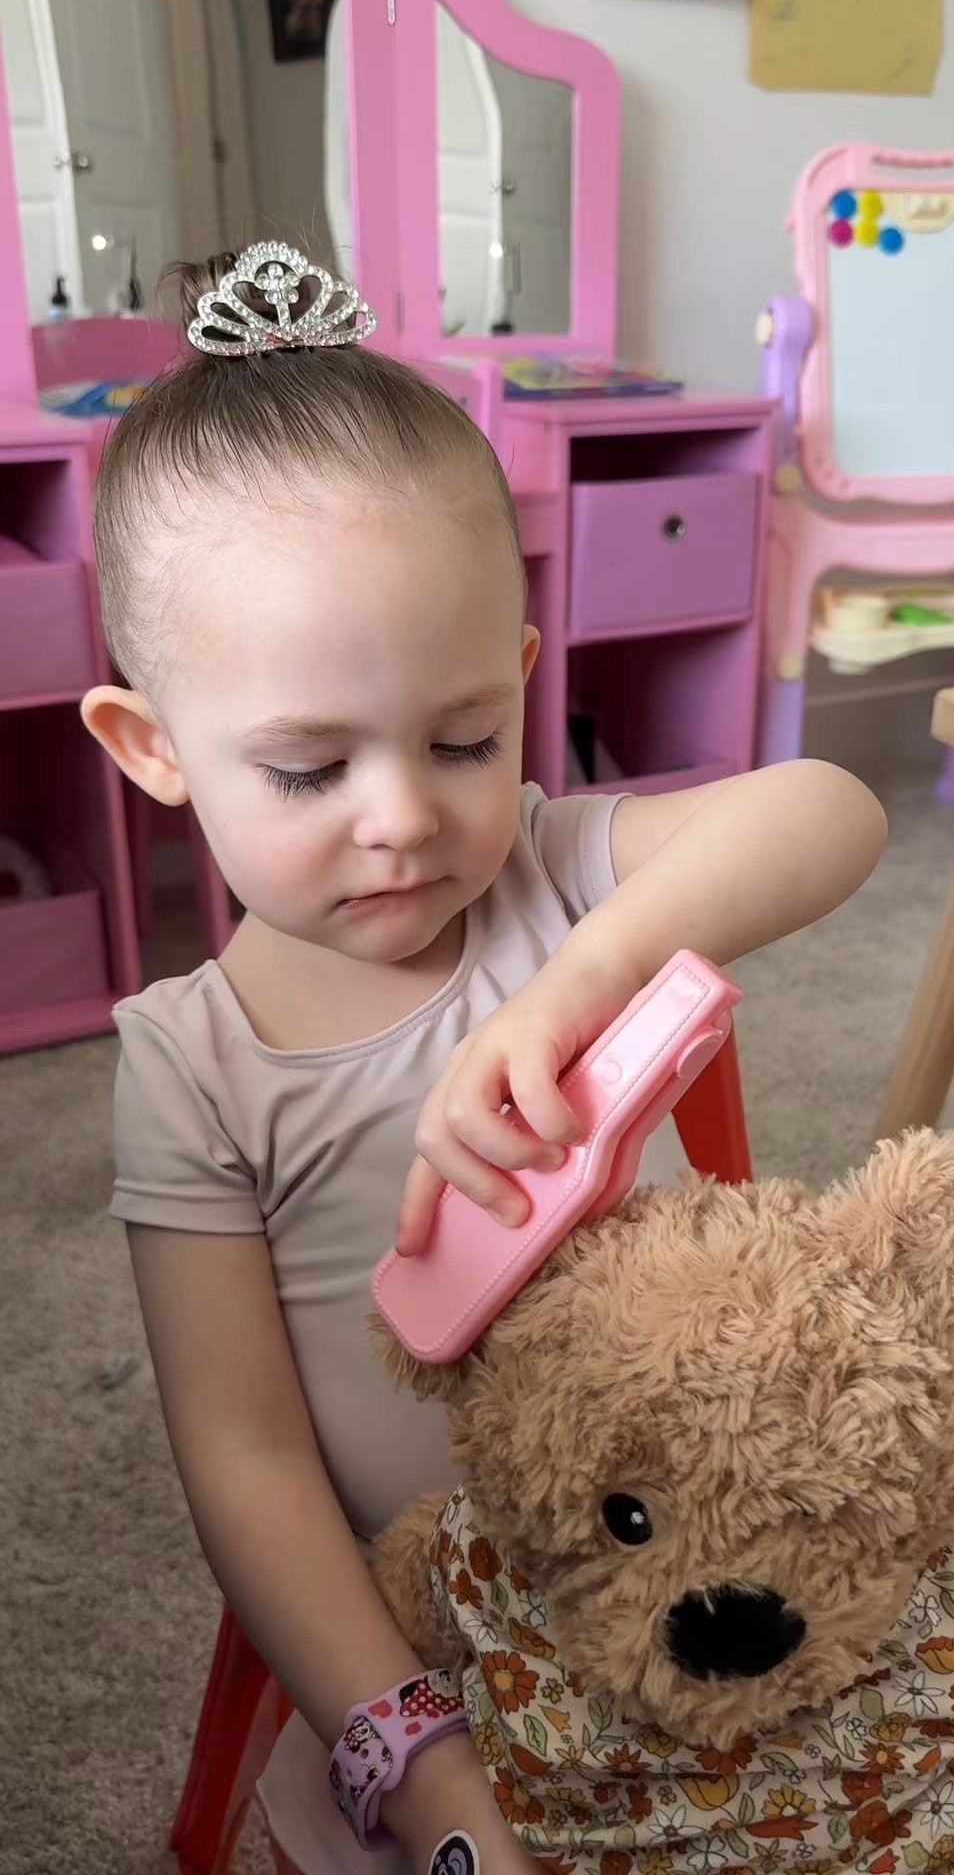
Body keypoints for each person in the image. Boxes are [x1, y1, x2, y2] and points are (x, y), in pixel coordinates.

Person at [82, 243, 887, 1875]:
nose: (404, 816)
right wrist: (413, 1755)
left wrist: (576, 978)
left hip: (713, 1539)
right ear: (153, 747)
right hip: (452, 1636)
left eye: (462, 740)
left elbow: (838, 815)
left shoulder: (541, 869)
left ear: (520, 687)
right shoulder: (195, 1063)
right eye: (308, 770)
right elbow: (242, 1460)